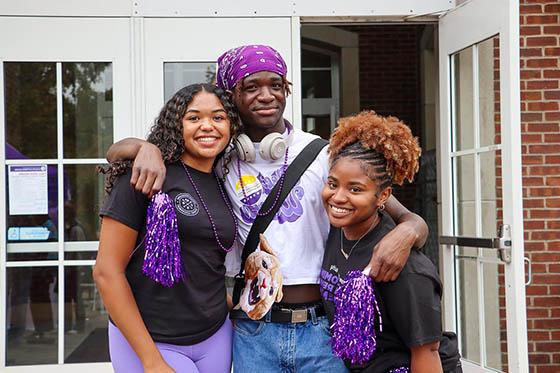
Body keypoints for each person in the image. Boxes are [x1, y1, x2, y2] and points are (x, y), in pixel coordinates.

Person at [106, 45, 429, 372]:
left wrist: (408, 232)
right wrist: (145, 147)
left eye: (276, 85)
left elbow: (400, 213)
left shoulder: (323, 154)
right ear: (232, 96)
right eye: (251, 87)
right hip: (253, 329)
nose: (266, 95)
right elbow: (118, 152)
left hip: (320, 330)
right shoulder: (218, 159)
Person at [94, 83, 241, 373]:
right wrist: (152, 361)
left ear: (231, 126)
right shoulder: (146, 174)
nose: (207, 126)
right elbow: (106, 272)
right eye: (194, 118)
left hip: (215, 335)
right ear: (176, 124)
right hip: (153, 341)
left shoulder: (224, 181)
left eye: (218, 117)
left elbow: (204, 260)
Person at [320, 111, 461, 373]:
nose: (338, 197)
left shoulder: (405, 267)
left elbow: (427, 352)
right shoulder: (339, 233)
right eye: (333, 184)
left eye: (355, 189)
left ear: (383, 195)